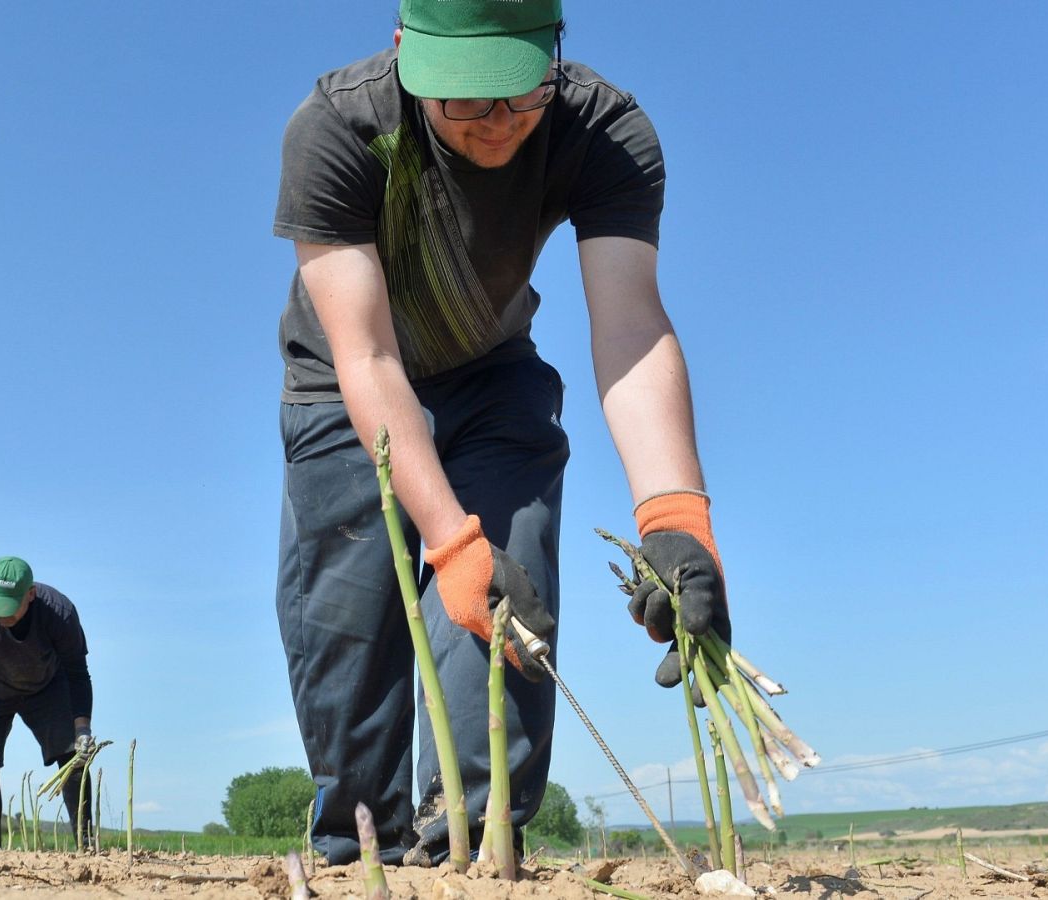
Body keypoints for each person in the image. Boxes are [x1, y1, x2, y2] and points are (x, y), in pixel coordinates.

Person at [272, 0, 732, 866]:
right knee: (347, 636)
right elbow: (366, 357)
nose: (499, 124)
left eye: (520, 95)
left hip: (490, 373)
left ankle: (476, 841)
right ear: (409, 55)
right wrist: (446, 541)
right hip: (341, 392)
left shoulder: (602, 130)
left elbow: (632, 326)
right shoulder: (338, 127)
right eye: (468, 101)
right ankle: (355, 845)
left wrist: (676, 517)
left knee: (507, 593)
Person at [0, 556, 96, 850]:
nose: (1, 616)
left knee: (72, 758)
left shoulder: (59, 613)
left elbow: (77, 672)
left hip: (48, 687)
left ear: (31, 594)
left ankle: (86, 844)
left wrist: (82, 728)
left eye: (9, 608)